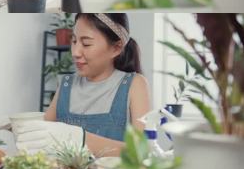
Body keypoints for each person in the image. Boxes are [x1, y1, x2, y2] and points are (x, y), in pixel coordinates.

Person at [13, 13, 150, 156]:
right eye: (74, 41)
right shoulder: (67, 84)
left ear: (116, 48)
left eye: (86, 44)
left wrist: (80, 139)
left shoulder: (134, 84)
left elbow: (142, 151)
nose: (75, 52)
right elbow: (42, 130)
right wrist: (12, 123)